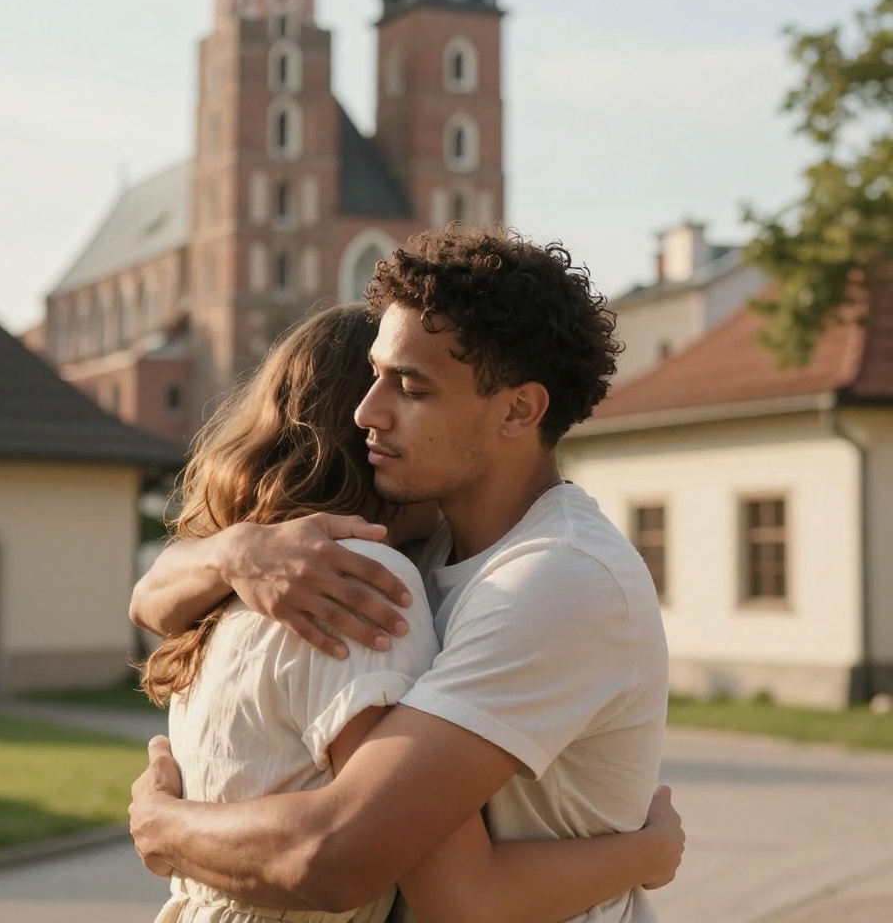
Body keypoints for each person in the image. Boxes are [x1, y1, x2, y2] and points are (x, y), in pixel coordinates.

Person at [130, 226, 676, 923]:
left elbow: (350, 859)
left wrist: (162, 824)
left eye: (410, 387)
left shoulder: (558, 580)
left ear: (519, 409)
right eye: (376, 375)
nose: (366, 412)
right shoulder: (422, 540)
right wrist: (235, 551)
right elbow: (151, 600)